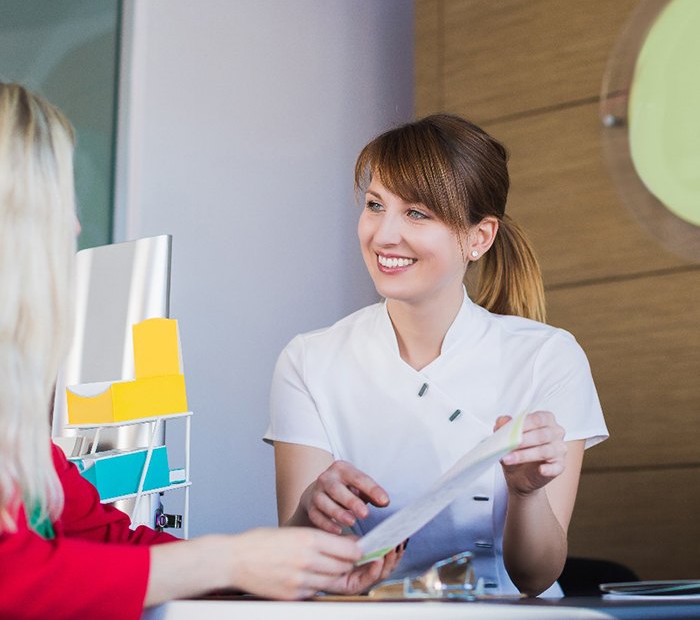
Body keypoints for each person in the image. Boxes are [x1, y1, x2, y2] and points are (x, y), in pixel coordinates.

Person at [0, 83, 398, 620]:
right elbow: (18, 575)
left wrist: (285, 571)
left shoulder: (21, 438)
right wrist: (229, 561)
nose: (74, 225)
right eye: (58, 202)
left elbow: (105, 542)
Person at [265, 113, 608, 598]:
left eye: (417, 213)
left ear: (479, 238)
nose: (384, 235)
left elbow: (536, 575)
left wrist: (527, 493)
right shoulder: (308, 360)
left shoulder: (548, 357)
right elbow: (298, 569)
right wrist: (311, 511)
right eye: (374, 205)